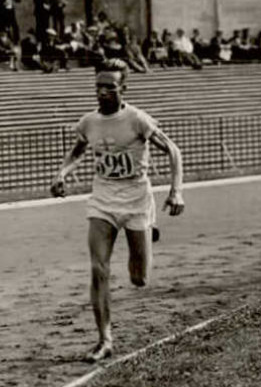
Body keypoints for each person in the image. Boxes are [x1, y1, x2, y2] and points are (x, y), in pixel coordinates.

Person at [50, 61, 186, 362]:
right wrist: (62, 173)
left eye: (110, 86)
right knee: (99, 270)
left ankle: (148, 231)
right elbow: (77, 149)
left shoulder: (137, 119)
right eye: (99, 85)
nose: (103, 91)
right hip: (102, 201)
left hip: (137, 199)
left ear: (123, 88)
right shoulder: (88, 122)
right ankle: (104, 339)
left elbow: (174, 151)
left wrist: (176, 191)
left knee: (139, 279)